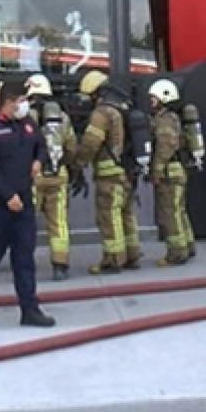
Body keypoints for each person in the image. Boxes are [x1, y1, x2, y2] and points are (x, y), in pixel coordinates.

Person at [0, 81, 56, 328]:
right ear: (7, 102)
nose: (23, 104)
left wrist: (39, 160)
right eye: (19, 100)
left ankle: (30, 309)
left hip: (23, 202)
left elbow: (42, 146)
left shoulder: (26, 125)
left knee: (24, 257)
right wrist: (7, 196)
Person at [75, 70, 140, 274]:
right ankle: (132, 255)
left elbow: (91, 143)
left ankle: (113, 260)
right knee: (126, 214)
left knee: (109, 216)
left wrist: (78, 162)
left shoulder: (102, 113)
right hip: (127, 171)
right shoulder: (123, 108)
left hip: (109, 175)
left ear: (95, 93)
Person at [24, 74, 79, 281]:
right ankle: (60, 265)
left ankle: (24, 263)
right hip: (58, 175)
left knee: (26, 222)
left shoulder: (24, 116)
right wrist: (67, 165)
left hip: (32, 177)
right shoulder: (62, 117)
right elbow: (72, 147)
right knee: (58, 222)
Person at [147, 78, 194, 266]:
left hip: (169, 172)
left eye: (153, 98)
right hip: (176, 170)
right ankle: (188, 245)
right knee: (179, 210)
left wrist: (156, 171)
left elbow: (165, 147)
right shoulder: (173, 117)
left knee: (169, 212)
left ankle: (177, 253)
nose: (151, 102)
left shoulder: (165, 119)